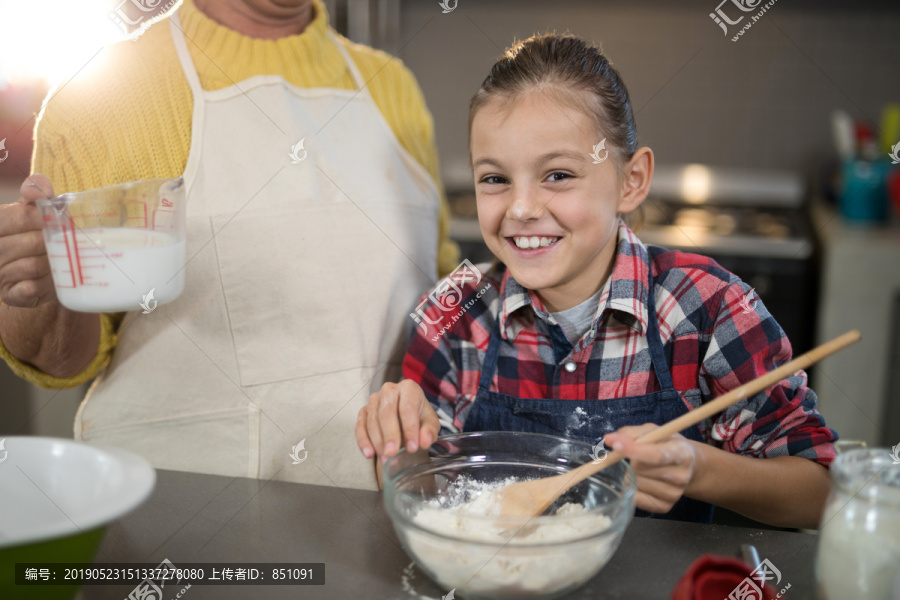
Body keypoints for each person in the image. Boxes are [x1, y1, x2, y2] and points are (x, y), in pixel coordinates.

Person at [356, 34, 836, 527]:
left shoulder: (708, 305)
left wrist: (699, 470)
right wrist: (402, 441)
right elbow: (424, 496)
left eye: (558, 175)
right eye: (495, 179)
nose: (520, 209)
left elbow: (818, 492)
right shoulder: (453, 310)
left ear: (632, 180)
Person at [0, 0, 459, 490]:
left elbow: (443, 298)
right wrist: (42, 293)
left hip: (389, 509)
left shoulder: (391, 84)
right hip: (192, 527)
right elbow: (60, 359)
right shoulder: (101, 99)